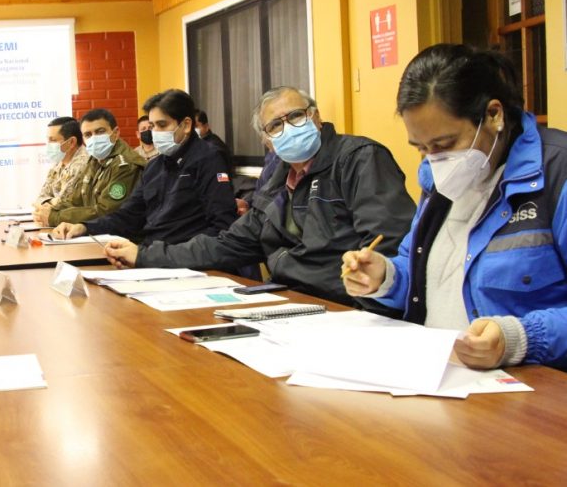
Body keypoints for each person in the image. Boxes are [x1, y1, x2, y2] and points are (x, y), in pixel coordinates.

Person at [342, 44, 567, 371]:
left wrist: (519, 338)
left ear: (493, 115)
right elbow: (431, 277)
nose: (436, 159)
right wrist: (386, 277)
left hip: (526, 393)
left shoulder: (555, 172)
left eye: (445, 144)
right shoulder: (437, 179)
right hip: (438, 376)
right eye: (421, 148)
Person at [105, 86, 416, 307]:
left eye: (296, 116)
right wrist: (145, 255)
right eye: (275, 125)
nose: (288, 128)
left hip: (349, 308)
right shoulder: (277, 178)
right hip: (289, 301)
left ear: (316, 118)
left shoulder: (359, 159)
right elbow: (230, 242)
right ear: (267, 140)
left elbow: (386, 253)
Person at [51, 89, 237, 245]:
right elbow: (129, 215)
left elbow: (221, 226)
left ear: (186, 125)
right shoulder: (155, 166)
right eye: (152, 126)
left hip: (187, 262)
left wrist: (157, 256)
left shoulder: (209, 159)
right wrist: (84, 227)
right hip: (151, 255)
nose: (155, 133)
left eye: (162, 125)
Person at [34, 108, 145, 226]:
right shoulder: (94, 160)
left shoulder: (126, 165)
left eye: (100, 131)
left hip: (123, 237)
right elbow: (75, 200)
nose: (94, 138)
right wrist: (50, 212)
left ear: (116, 133)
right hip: (98, 232)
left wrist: (55, 217)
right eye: (88, 135)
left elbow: (106, 211)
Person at [35, 116, 89, 206]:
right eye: (48, 140)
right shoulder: (59, 162)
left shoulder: (84, 163)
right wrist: (51, 202)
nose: (49, 144)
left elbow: (64, 204)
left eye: (53, 140)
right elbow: (40, 198)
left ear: (71, 142)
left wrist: (47, 203)